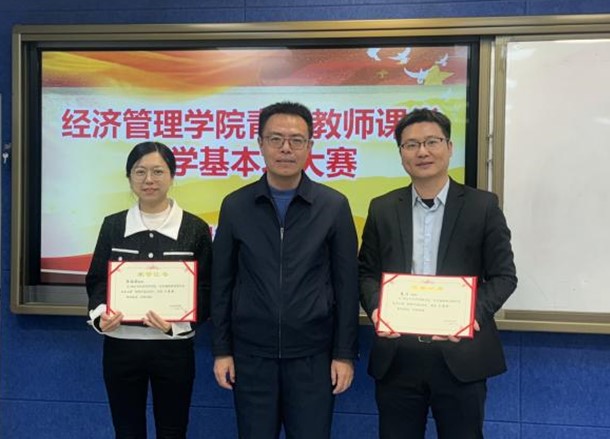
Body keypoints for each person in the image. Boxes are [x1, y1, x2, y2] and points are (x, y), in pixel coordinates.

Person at [358, 108, 517, 439]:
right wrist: (376, 309)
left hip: (461, 357)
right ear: (401, 153)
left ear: (449, 147)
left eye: (432, 141)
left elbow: (504, 276)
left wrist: (470, 316)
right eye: (411, 144)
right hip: (398, 357)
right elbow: (366, 273)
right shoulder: (382, 207)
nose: (422, 152)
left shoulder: (482, 206)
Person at [211, 101, 360, 439]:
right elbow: (222, 284)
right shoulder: (236, 206)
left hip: (313, 357)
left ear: (310, 146)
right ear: (260, 144)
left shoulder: (333, 206)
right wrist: (222, 350)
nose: (286, 149)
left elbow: (346, 286)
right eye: (276, 139)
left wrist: (344, 354)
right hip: (251, 356)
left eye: (296, 140)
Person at [86, 141, 212, 439]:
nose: (149, 180)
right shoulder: (113, 225)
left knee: (173, 430)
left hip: (173, 349)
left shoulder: (195, 227)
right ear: (129, 177)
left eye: (158, 171)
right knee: (126, 430)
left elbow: (207, 287)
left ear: (172, 176)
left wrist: (177, 325)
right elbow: (97, 280)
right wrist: (101, 316)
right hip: (121, 347)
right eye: (140, 171)